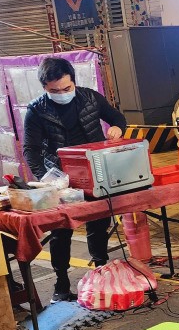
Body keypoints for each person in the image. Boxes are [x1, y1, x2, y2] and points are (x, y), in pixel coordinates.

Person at [22, 56, 127, 302]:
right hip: (58, 175)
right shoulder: (36, 110)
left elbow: (117, 118)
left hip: (93, 170)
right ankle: (61, 282)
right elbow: (31, 149)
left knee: (99, 221)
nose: (61, 94)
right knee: (61, 229)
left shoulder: (91, 98)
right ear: (44, 88)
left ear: (74, 82)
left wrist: (117, 129)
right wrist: (46, 179)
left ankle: (101, 270)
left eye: (66, 89)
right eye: (54, 91)